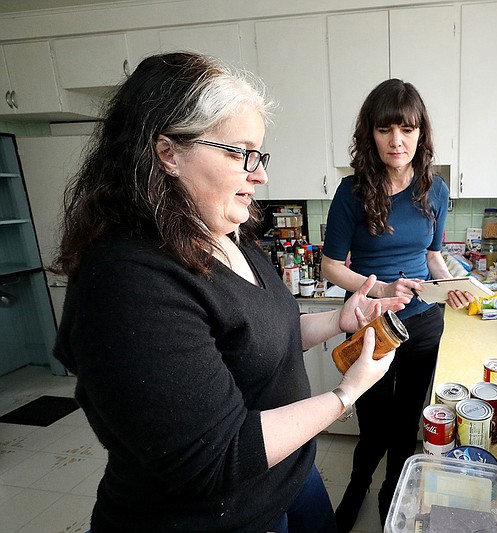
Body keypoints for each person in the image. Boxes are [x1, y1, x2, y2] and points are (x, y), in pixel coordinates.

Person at [51, 52, 408, 533]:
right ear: (168, 152)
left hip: (287, 476)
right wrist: (348, 393)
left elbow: (259, 335)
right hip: (220, 517)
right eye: (241, 152)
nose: (260, 175)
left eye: (258, 155)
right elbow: (218, 457)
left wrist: (340, 320)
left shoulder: (223, 232)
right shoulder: (125, 281)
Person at [321, 78, 475, 530]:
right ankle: (358, 484)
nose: (397, 141)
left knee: (407, 420)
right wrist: (384, 289)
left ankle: (393, 493)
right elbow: (331, 266)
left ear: (420, 134)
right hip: (371, 321)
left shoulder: (436, 190)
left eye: (407, 130)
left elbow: (432, 256)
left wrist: (451, 285)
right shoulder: (352, 192)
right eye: (386, 129)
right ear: (370, 133)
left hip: (424, 323)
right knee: (373, 421)